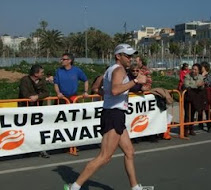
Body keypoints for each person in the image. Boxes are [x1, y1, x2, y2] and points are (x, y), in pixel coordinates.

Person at [64, 44, 148, 190]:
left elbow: (101, 89)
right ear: (118, 56)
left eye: (131, 56)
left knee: (129, 152)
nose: (130, 58)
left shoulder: (111, 69)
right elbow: (115, 90)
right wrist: (135, 81)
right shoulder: (118, 70)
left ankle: (135, 187)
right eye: (127, 56)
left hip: (115, 113)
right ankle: (75, 187)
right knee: (104, 157)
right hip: (113, 114)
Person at [19, 64, 50, 158]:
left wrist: (37, 97)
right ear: (36, 74)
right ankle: (26, 149)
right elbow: (24, 93)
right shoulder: (25, 80)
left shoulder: (42, 81)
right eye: (41, 72)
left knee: (39, 129)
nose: (43, 74)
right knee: (27, 129)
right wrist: (33, 96)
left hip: (38, 108)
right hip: (25, 108)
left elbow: (46, 92)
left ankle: (41, 149)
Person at [183, 63, 205, 137]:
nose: (193, 71)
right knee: (187, 114)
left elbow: (202, 86)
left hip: (196, 98)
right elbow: (186, 85)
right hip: (188, 97)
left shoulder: (201, 77)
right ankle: (185, 130)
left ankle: (191, 129)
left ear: (199, 71)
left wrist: (200, 86)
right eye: (193, 69)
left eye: (195, 69)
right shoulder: (187, 76)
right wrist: (196, 85)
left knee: (192, 114)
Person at [198, 61, 211, 133]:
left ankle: (209, 126)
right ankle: (200, 124)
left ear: (205, 67)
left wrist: (205, 81)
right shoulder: (199, 74)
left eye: (202, 67)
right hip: (200, 94)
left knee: (207, 110)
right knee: (200, 110)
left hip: (207, 94)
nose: (200, 68)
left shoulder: (209, 75)